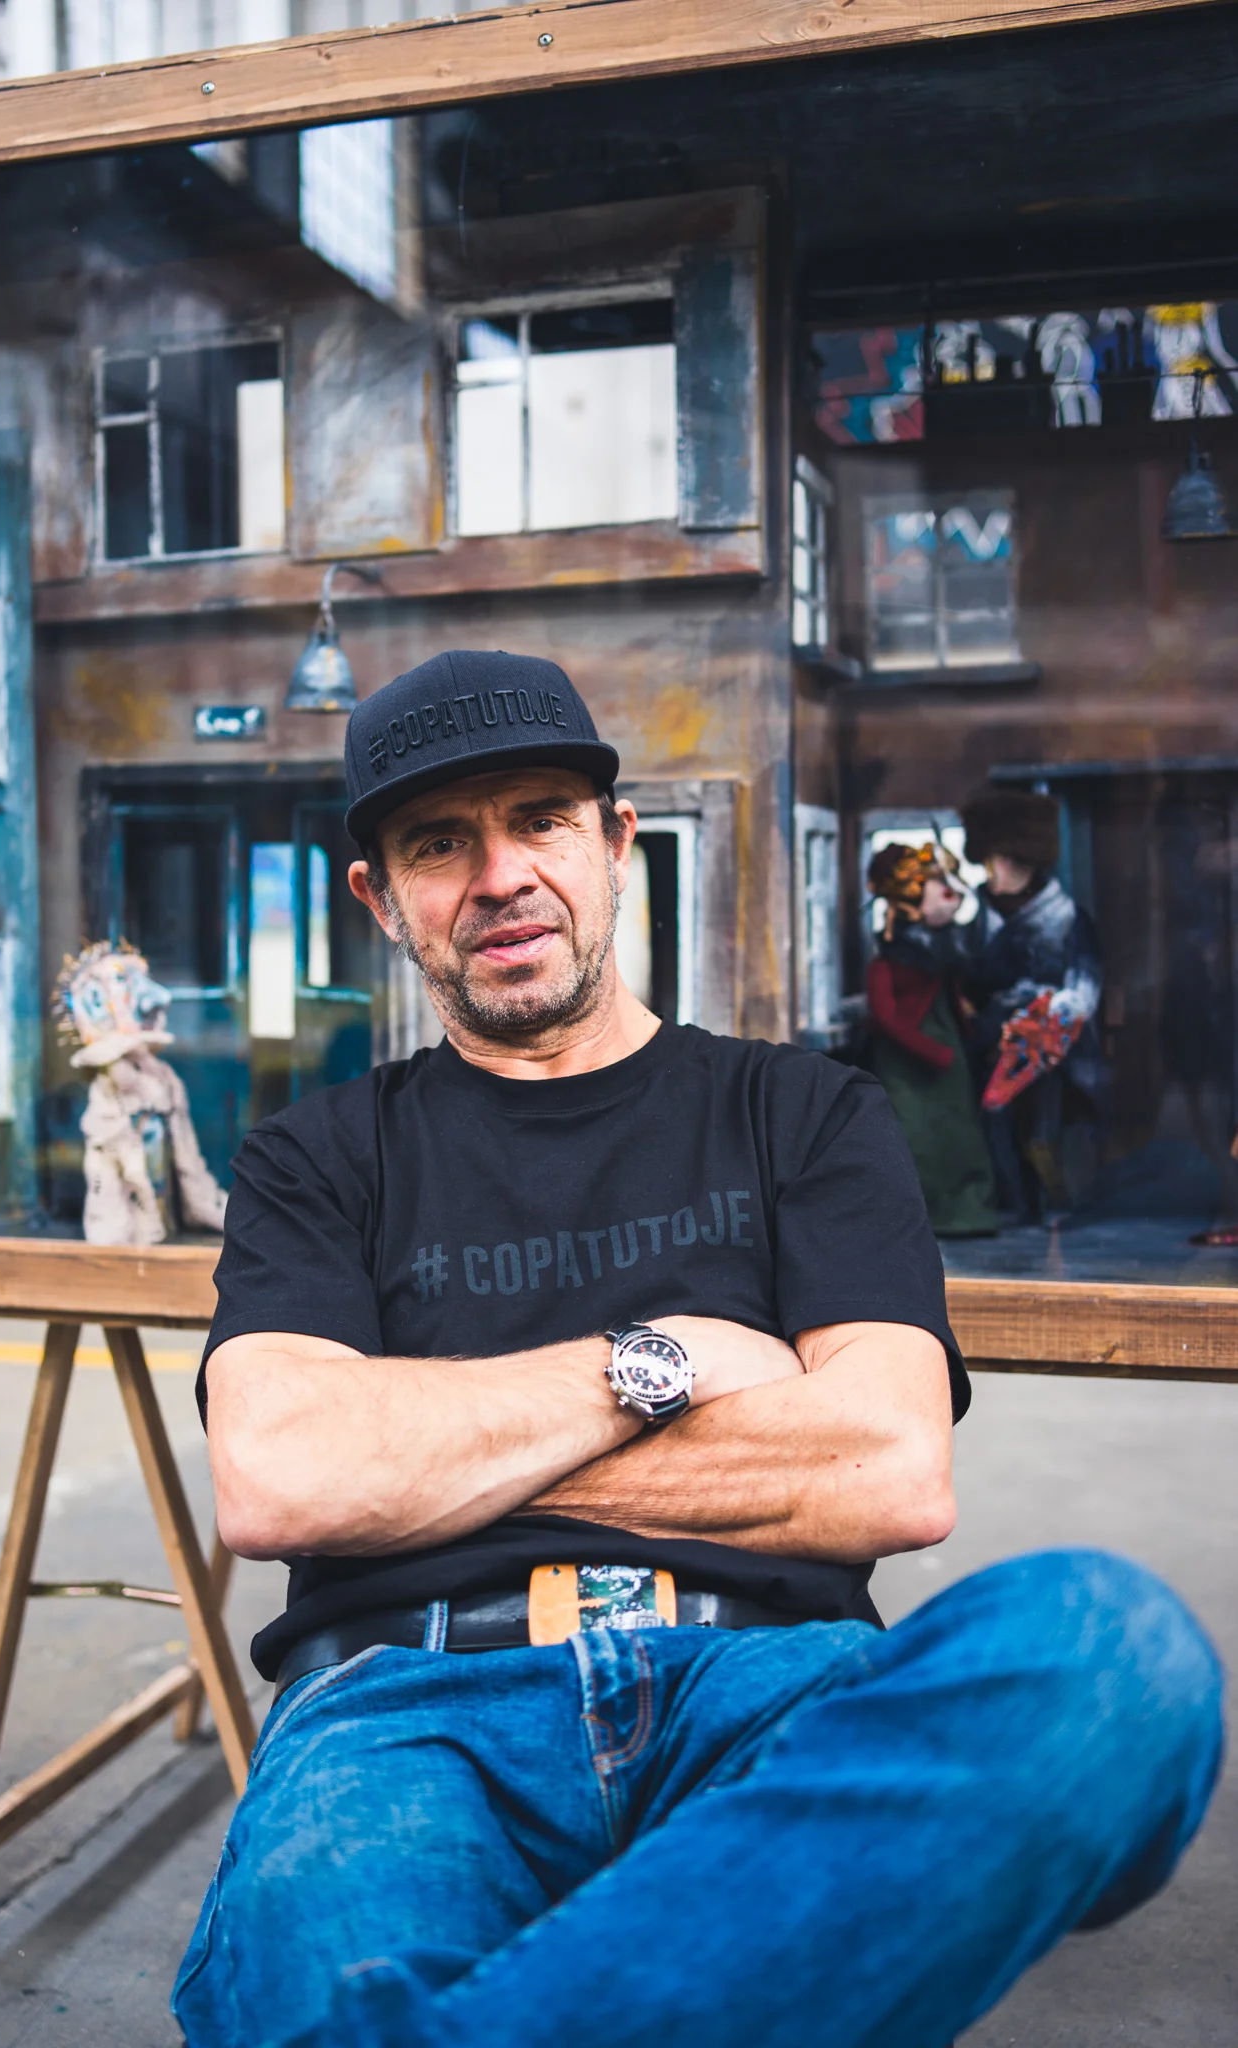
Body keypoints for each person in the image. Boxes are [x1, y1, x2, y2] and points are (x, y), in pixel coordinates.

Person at [175, 652, 1221, 2048]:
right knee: (329, 1976)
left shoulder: (806, 1113)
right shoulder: (314, 1157)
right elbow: (283, 1481)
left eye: (540, 819)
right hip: (407, 1704)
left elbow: (889, 1471)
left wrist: (423, 1464)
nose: (499, 876)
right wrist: (660, 1357)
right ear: (379, 896)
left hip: (762, 1678)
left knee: (1111, 1652)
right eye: (438, 843)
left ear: (616, 844)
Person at [960, 787, 1106, 1223]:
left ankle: (1055, 1203)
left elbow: (1083, 990)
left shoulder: (1068, 920)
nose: (991, 870)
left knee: (1045, 1127)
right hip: (987, 1048)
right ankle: (1013, 1202)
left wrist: (1040, 1018)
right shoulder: (975, 915)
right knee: (993, 1122)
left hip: (1050, 1052)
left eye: (996, 860)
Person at [865, 840, 998, 1237]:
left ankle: (968, 1209)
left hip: (948, 1049)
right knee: (916, 1134)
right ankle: (923, 1214)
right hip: (910, 1059)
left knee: (959, 1130)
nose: (950, 896)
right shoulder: (889, 960)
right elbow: (886, 1017)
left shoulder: (946, 949)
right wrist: (934, 1051)